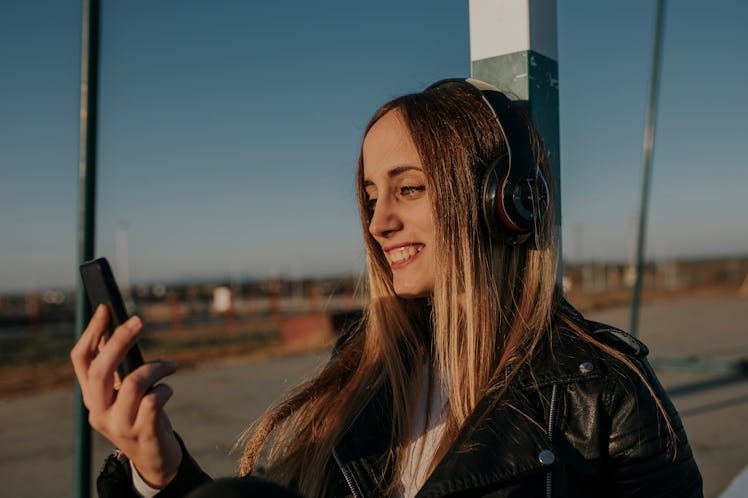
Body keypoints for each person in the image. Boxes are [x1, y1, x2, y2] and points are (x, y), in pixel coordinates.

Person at [71, 78, 703, 497]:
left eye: (409, 188)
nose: (377, 223)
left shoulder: (608, 393)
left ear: (501, 203)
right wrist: (159, 470)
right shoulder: (362, 366)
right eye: (371, 197)